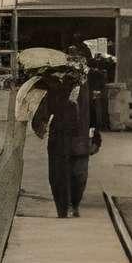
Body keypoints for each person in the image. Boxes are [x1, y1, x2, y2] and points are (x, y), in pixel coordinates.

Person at [31, 61, 104, 217]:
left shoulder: (89, 87)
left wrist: (95, 137)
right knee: (57, 177)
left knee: (79, 176)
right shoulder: (54, 85)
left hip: (80, 139)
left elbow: (94, 115)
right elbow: (44, 109)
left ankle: (74, 204)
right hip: (58, 138)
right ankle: (63, 210)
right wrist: (40, 124)